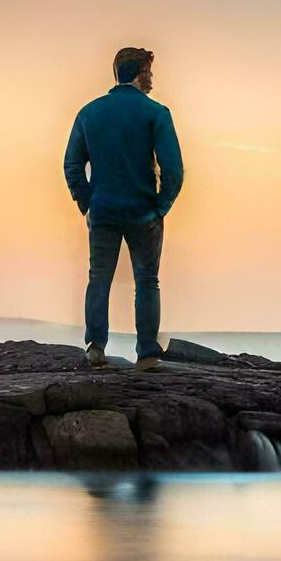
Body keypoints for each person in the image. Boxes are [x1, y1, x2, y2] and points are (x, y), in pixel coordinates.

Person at [63, 47, 184, 371]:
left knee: (98, 278)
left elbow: (72, 163)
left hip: (103, 211)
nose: (153, 77)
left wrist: (87, 200)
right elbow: (173, 170)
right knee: (147, 281)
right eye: (149, 70)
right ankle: (146, 351)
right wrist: (162, 206)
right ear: (140, 71)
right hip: (144, 212)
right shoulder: (156, 113)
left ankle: (95, 346)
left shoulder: (89, 113)